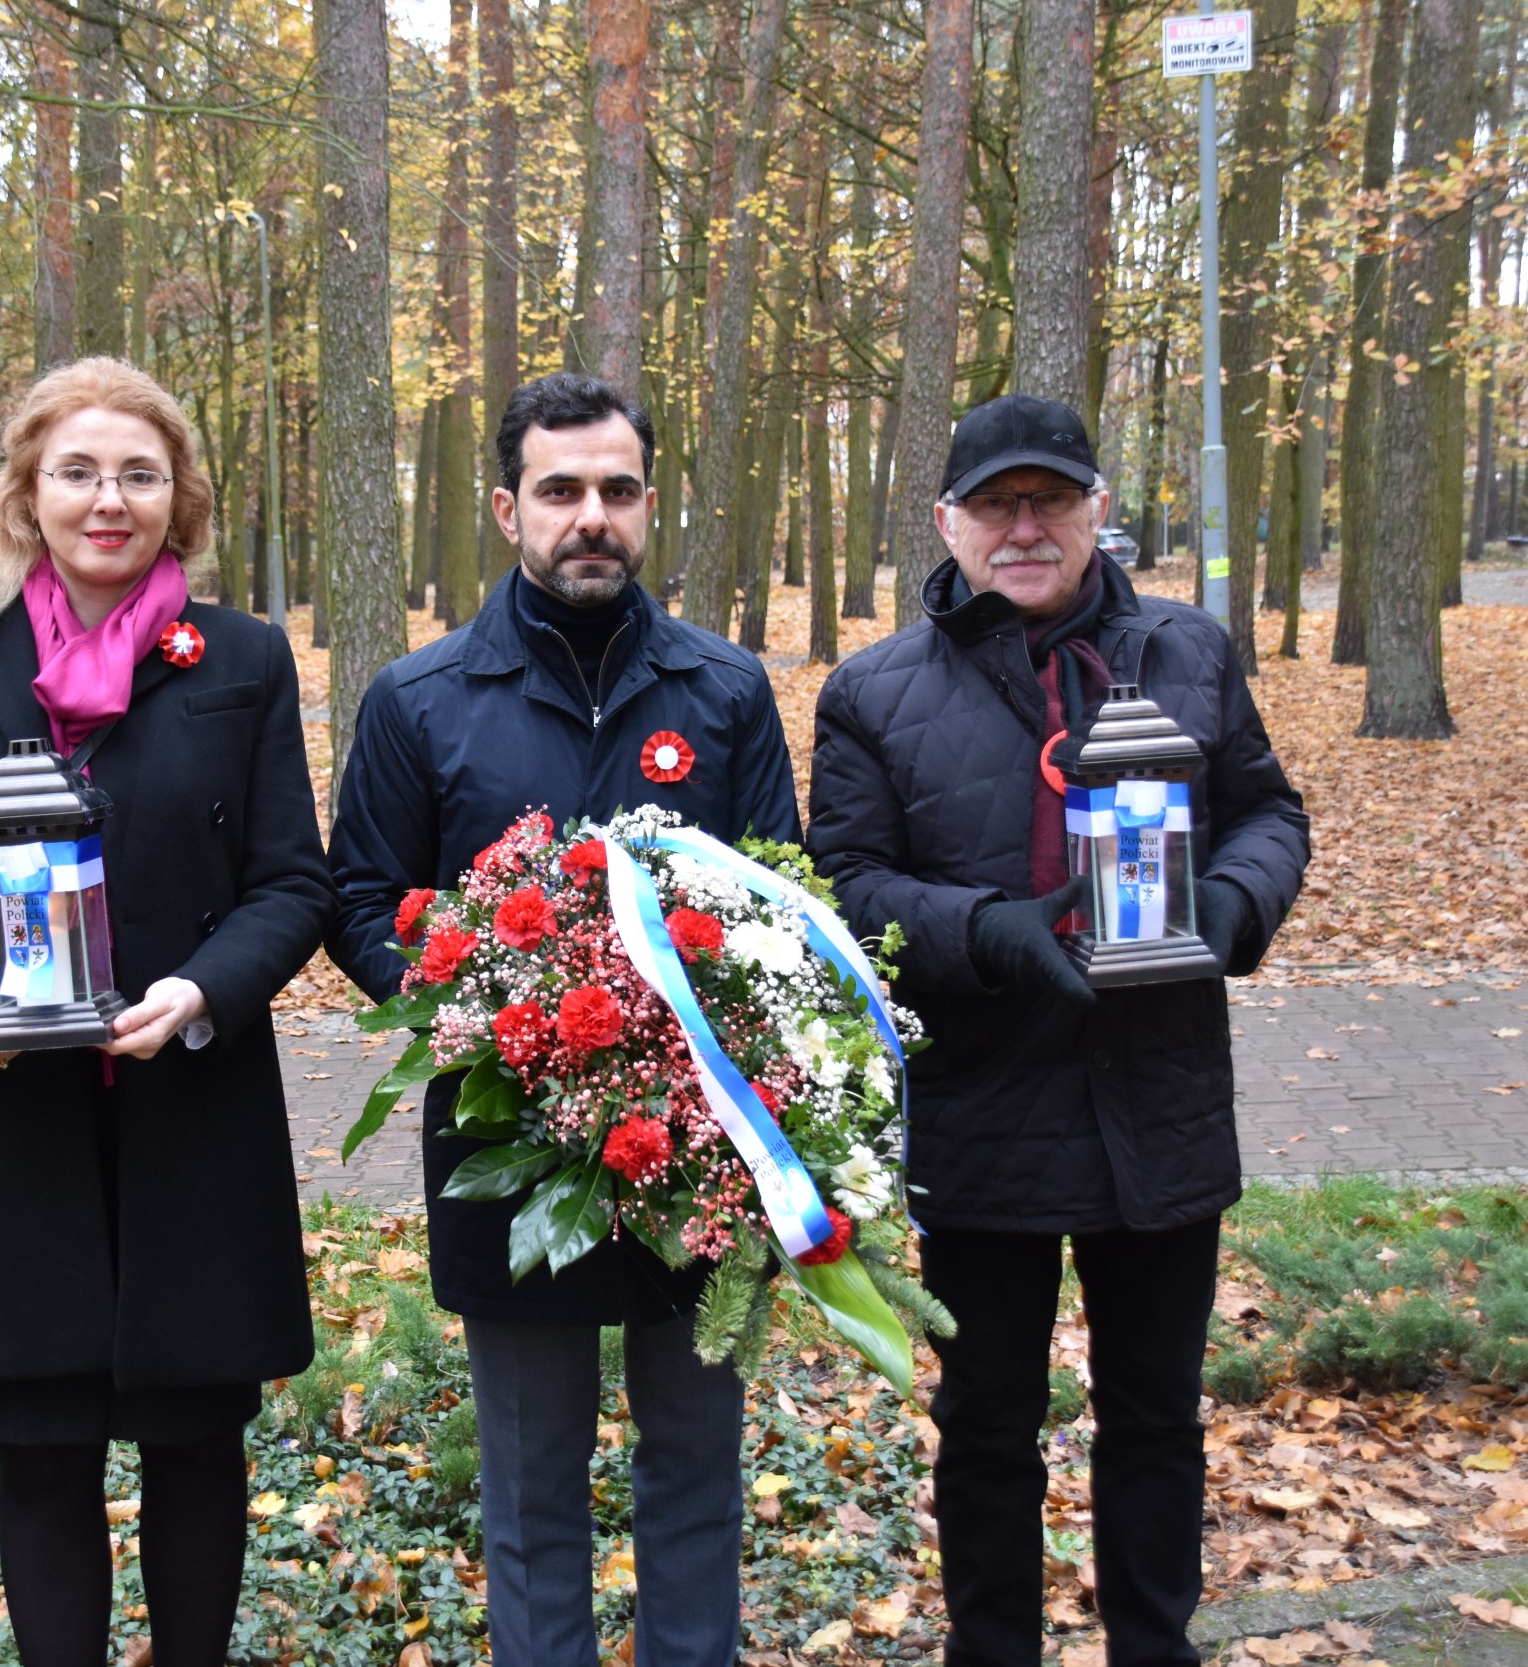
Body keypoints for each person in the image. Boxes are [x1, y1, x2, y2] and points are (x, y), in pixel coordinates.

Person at [0, 357, 332, 1667]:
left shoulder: (242, 661)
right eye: (77, 471)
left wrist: (200, 988)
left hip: (191, 1113)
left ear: (181, 498)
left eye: (138, 473)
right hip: (4, 1123)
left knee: (193, 1443)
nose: (108, 498)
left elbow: (292, 883)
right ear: (24, 494)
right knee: (41, 1451)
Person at [807, 394, 1309, 1667]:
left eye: (1050, 501)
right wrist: (992, 930)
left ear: (1096, 512)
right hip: (986, 1109)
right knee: (986, 1423)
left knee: (1154, 1417)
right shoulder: (872, 692)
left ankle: (1155, 1646)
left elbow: (1266, 812)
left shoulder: (1186, 654)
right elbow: (848, 883)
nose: (1023, 528)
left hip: (1161, 1096)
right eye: (994, 506)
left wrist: (1232, 907)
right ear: (947, 524)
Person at [328, 372, 799, 1667]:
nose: (590, 514)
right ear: (506, 506)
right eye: (560, 490)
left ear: (649, 504)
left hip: (696, 1147)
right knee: (531, 1492)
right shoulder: (418, 700)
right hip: (507, 1145)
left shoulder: (725, 691)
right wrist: (485, 1011)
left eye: (616, 489)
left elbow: (781, 897)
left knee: (695, 1468)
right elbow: (359, 898)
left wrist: (698, 1036)